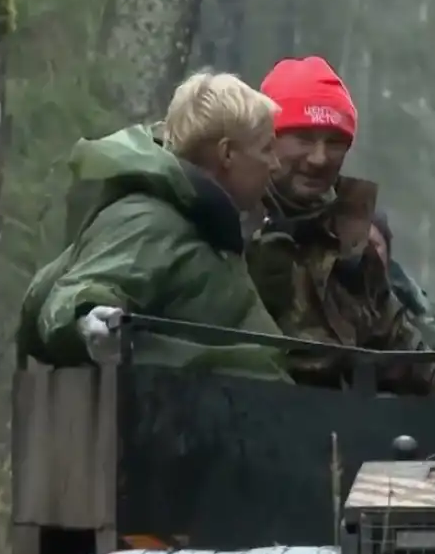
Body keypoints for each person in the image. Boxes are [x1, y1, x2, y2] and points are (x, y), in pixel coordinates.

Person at [18, 71, 286, 373]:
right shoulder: (150, 219)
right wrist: (87, 317)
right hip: (174, 413)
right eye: (266, 149)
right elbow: (81, 288)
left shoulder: (201, 221)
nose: (275, 164)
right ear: (227, 153)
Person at [248, 55, 435, 395]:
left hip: (342, 432)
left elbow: (407, 357)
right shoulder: (229, 224)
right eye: (304, 138)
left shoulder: (353, 248)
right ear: (267, 139)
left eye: (335, 142)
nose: (319, 158)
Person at [368, 210, 435, 390]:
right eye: (361, 244)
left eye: (374, 245)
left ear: (387, 251)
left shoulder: (413, 303)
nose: (368, 253)